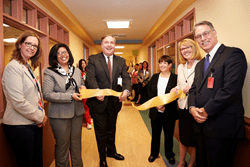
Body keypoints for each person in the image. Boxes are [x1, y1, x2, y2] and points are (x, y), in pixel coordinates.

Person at [188, 21, 247, 167]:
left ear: (214, 33)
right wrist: (192, 108)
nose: (202, 38)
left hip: (222, 127)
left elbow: (230, 89)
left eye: (205, 33)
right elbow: (194, 89)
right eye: (198, 36)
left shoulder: (233, 54)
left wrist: (206, 111)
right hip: (201, 126)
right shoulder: (201, 63)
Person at [1, 30, 47, 167]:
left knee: (37, 162)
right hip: (19, 126)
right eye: (28, 44)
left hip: (33, 123)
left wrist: (40, 116)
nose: (32, 48)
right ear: (20, 44)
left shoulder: (27, 67)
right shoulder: (13, 68)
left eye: (35, 46)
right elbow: (18, 101)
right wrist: (40, 117)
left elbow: (36, 96)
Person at [86, 35, 131, 167]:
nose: (109, 45)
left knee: (112, 129)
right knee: (101, 132)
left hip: (114, 103)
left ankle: (111, 152)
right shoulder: (93, 59)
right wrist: (97, 91)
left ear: (115, 45)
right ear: (101, 44)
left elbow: (126, 78)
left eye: (112, 42)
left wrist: (127, 91)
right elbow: (90, 78)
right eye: (106, 42)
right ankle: (102, 158)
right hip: (98, 103)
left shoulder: (121, 61)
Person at [43, 43, 86, 167]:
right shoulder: (50, 72)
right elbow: (47, 94)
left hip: (77, 113)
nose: (63, 55)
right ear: (54, 56)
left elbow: (81, 85)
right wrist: (69, 96)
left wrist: (83, 88)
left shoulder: (76, 71)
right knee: (62, 146)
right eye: (59, 53)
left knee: (76, 145)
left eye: (65, 52)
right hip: (59, 115)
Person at [171, 38, 202, 167]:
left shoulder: (202, 64)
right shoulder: (180, 66)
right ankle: (182, 161)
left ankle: (191, 164)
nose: (185, 51)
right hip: (183, 106)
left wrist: (193, 87)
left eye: (187, 47)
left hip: (196, 106)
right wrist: (176, 88)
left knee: (194, 139)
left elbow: (204, 85)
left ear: (194, 47)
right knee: (183, 137)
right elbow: (180, 84)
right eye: (182, 49)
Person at [147, 55, 178, 165]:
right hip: (156, 111)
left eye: (165, 63)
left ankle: (169, 154)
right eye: (160, 62)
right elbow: (150, 92)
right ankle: (154, 153)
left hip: (169, 111)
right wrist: (156, 105)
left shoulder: (175, 78)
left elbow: (176, 95)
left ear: (170, 65)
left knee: (169, 135)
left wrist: (165, 104)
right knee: (155, 134)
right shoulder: (155, 77)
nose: (162, 65)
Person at [79, 58, 92, 130]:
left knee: (87, 106)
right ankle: (88, 123)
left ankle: (88, 120)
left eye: (84, 63)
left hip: (88, 91)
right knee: (85, 107)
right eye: (82, 63)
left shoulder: (86, 72)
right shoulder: (80, 72)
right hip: (83, 92)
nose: (83, 65)